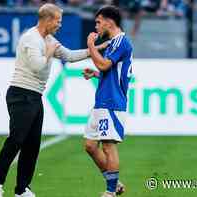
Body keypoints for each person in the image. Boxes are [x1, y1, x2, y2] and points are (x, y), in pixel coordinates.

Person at [0, 3, 106, 197]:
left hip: (34, 96)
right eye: (58, 21)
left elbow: (69, 56)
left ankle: (22, 189)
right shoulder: (30, 38)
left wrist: (96, 48)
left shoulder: (48, 39)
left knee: (32, 144)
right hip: (21, 93)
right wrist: (49, 50)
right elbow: (37, 66)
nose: (60, 25)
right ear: (47, 19)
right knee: (16, 140)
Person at [83, 5, 133, 197]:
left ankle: (110, 191)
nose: (96, 26)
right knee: (89, 145)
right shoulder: (114, 43)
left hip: (112, 102)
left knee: (108, 145)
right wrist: (96, 74)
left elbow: (104, 64)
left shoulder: (122, 41)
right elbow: (110, 71)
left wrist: (90, 45)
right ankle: (114, 182)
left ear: (109, 21)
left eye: (98, 22)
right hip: (102, 101)